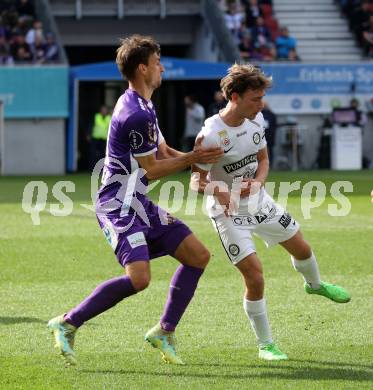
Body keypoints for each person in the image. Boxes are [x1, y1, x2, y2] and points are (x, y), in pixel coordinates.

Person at [47, 34, 223, 367]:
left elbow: (165, 151)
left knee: (198, 256)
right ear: (143, 68)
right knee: (140, 278)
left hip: (137, 200)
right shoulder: (135, 113)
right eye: (158, 63)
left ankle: (164, 331)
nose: (162, 68)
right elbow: (154, 169)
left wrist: (198, 159)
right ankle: (68, 322)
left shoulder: (143, 104)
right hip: (116, 204)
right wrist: (193, 159)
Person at [190, 64, 351, 361]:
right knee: (255, 276)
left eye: (262, 97)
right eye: (255, 98)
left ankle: (314, 285)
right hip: (229, 213)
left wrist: (259, 182)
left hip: (260, 202)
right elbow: (195, 181)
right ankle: (266, 344)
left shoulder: (257, 119)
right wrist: (220, 190)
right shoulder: (211, 135)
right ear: (235, 97)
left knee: (302, 248)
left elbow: (263, 159)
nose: (261, 104)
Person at [89, 104, 111, 170]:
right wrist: (88, 134)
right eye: (102, 109)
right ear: (100, 110)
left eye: (105, 110)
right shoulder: (96, 116)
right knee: (93, 154)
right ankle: (91, 168)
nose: (104, 111)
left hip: (104, 139)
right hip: (95, 138)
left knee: (103, 154)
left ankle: (102, 168)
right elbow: (90, 125)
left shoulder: (109, 117)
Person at [261, 101, 277, 167]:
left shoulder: (271, 115)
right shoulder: (258, 114)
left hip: (269, 136)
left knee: (270, 151)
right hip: (262, 136)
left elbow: (274, 125)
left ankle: (270, 165)